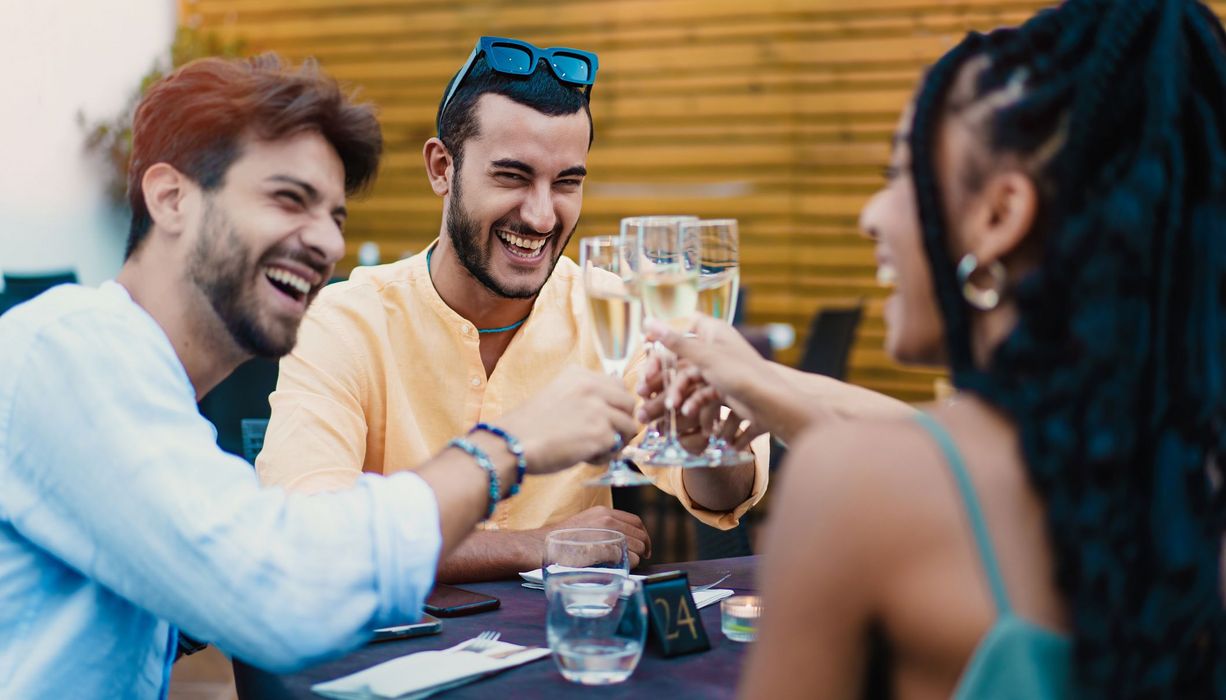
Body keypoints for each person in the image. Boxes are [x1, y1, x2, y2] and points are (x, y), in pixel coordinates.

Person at [0, 54, 638, 698]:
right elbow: (285, 589)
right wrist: (509, 448)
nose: (326, 244)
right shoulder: (69, 354)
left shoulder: (147, 395)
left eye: (334, 216)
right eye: (288, 198)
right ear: (171, 199)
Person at [651, 0, 1226, 696]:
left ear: (999, 216)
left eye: (900, 174)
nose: (871, 216)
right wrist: (764, 383)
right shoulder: (1183, 465)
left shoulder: (859, 490)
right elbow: (928, 439)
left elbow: (909, 459)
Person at [256, 36, 770, 581]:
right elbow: (308, 535)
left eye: (567, 182)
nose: (543, 216)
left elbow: (721, 496)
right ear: (441, 169)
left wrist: (708, 446)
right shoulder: (344, 322)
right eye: (512, 176)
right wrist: (536, 545)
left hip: (568, 648)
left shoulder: (611, 309)